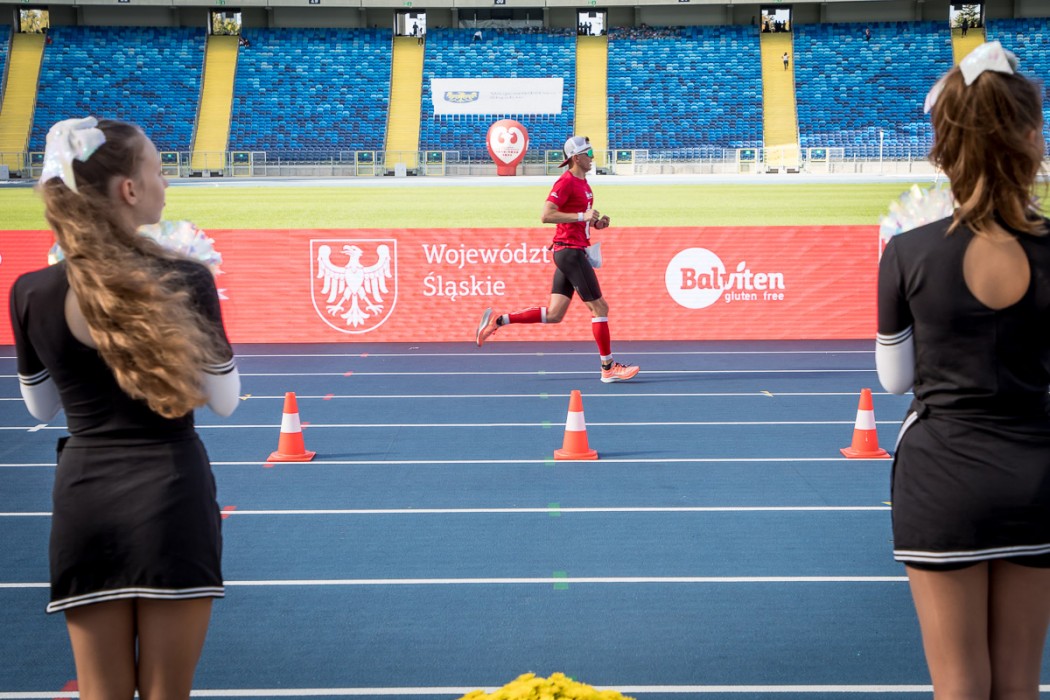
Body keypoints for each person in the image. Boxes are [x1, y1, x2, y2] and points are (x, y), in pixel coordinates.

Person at [9, 117, 240, 699]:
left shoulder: (31, 291)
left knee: (100, 691)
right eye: (159, 170)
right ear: (129, 189)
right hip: (172, 495)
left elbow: (40, 408)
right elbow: (225, 401)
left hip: (84, 501)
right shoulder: (186, 278)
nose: (167, 181)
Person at [877, 42, 1050, 699]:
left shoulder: (906, 251)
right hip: (1038, 476)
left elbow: (896, 379)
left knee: (959, 685)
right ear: (1031, 138)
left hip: (941, 482)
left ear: (944, 145)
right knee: (1019, 684)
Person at [475, 135, 639, 384]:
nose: (592, 157)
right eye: (589, 153)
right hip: (570, 252)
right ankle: (608, 368)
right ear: (576, 157)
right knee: (600, 308)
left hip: (571, 250)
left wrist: (596, 223)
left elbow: (576, 219)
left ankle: (498, 320)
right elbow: (546, 215)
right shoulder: (566, 182)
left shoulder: (584, 183)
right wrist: (582, 216)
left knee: (554, 314)